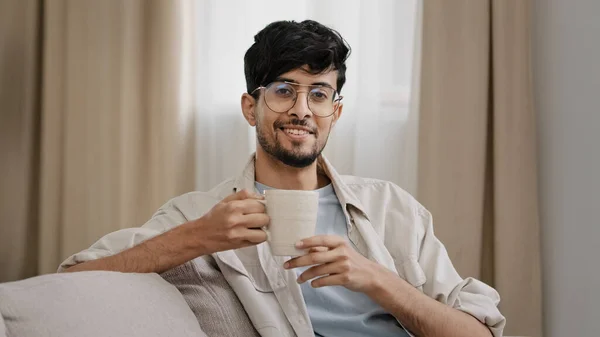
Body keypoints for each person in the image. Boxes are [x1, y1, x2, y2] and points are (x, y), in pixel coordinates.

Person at [60, 20, 505, 337]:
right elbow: (74, 280)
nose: (302, 110)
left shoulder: (393, 208)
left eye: (319, 94)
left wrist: (376, 278)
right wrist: (199, 237)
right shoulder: (199, 215)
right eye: (283, 90)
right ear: (250, 107)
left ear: (337, 111)